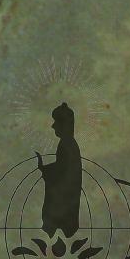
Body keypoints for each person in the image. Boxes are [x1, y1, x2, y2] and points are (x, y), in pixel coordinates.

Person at [38, 102, 82, 238]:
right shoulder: (67, 143)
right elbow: (62, 168)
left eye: (56, 122)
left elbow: (64, 173)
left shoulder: (67, 144)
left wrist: (45, 170)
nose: (53, 126)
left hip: (63, 205)